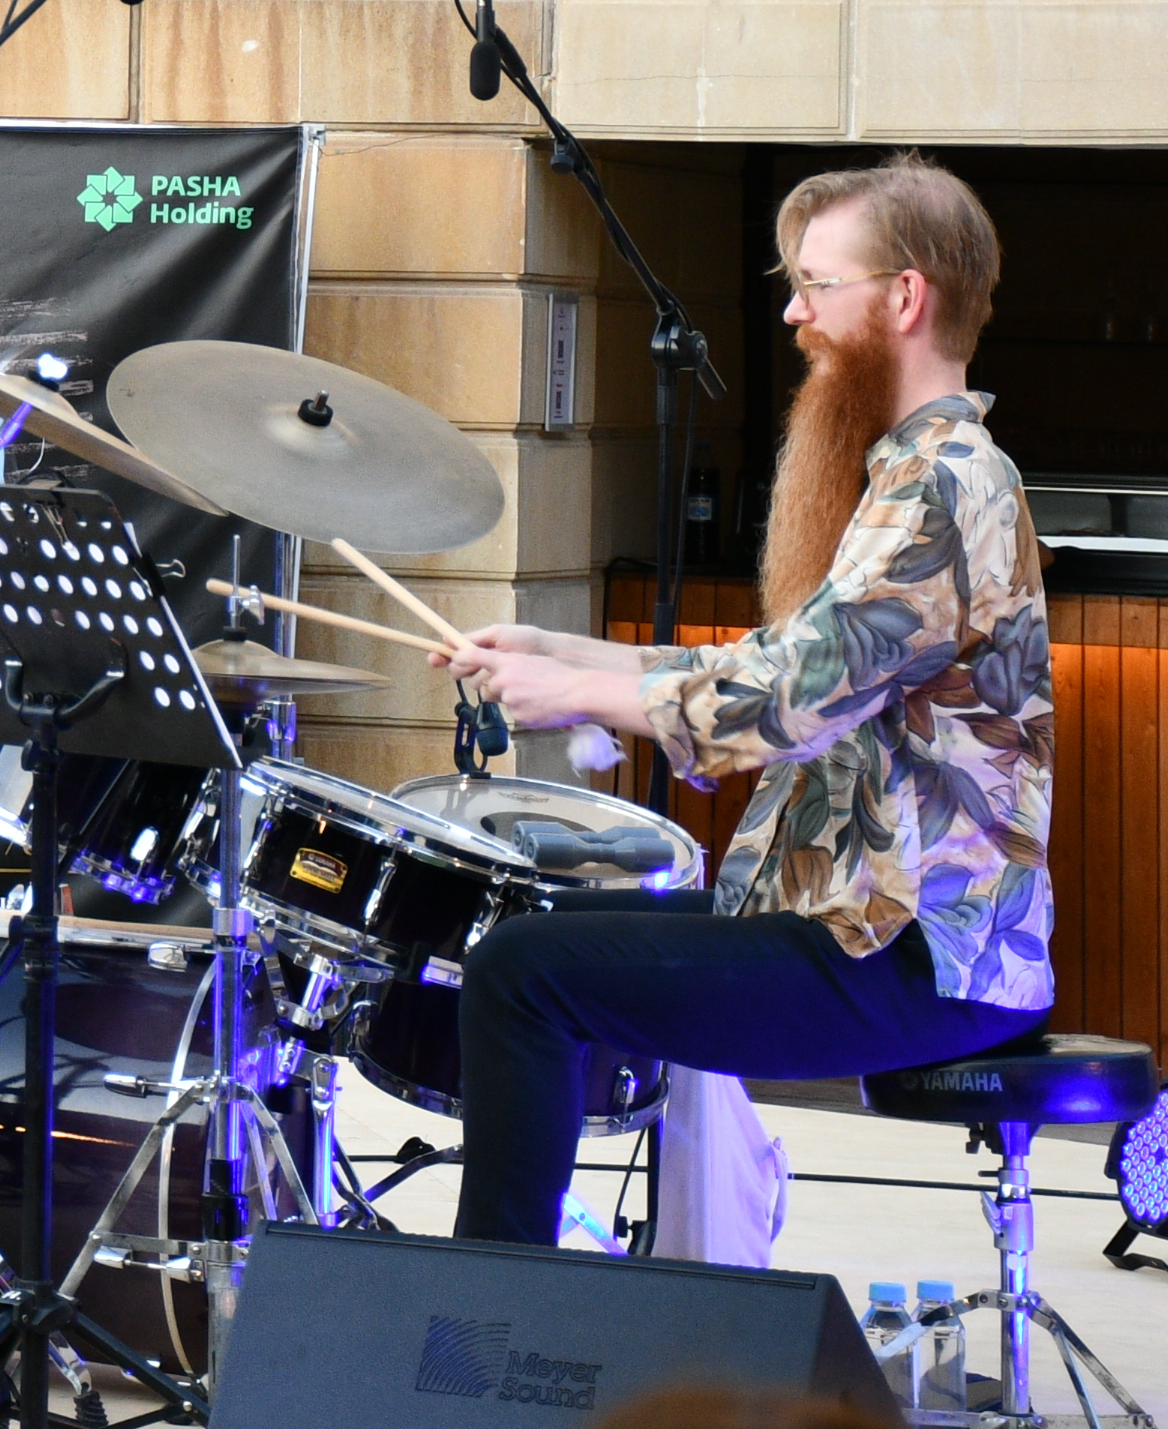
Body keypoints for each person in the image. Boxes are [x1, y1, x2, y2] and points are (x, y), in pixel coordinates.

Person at [434, 154, 1051, 1251]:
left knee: (521, 973)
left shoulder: (948, 486)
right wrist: (566, 651)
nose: (794, 312)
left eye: (817, 285)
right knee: (524, 943)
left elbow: (792, 698)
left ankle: (491, 1311)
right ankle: (543, 1285)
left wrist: (575, 691)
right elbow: (786, 657)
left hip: (914, 952)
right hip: (851, 923)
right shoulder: (911, 474)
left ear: (904, 297)